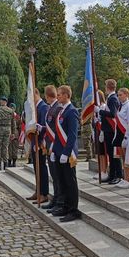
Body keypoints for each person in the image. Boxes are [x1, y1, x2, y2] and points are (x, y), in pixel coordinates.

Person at [50, 85, 81, 222]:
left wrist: (66, 153)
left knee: (70, 182)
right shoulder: (61, 111)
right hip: (58, 152)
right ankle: (65, 207)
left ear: (67, 95)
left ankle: (73, 210)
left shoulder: (72, 111)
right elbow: (57, 133)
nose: (58, 97)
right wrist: (54, 149)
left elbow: (72, 135)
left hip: (68, 155)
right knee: (62, 181)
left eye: (60, 94)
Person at [42, 85, 64, 213]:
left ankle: (59, 200)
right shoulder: (51, 108)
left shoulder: (58, 108)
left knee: (57, 176)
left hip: (55, 147)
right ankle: (55, 199)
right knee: (54, 176)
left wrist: (54, 148)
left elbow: (57, 131)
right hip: (50, 145)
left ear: (47, 96)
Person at [27, 88, 49, 204]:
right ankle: (38, 190)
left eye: (31, 96)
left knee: (41, 168)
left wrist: (39, 142)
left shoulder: (43, 107)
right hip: (35, 142)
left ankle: (44, 193)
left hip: (41, 143)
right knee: (36, 168)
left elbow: (44, 126)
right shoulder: (35, 108)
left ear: (36, 94)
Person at [99, 79, 122, 184]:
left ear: (108, 87)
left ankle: (117, 175)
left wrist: (100, 111)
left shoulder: (113, 99)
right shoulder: (111, 98)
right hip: (108, 130)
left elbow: (113, 114)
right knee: (110, 154)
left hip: (112, 130)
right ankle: (111, 175)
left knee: (114, 155)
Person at [115, 88, 129, 188]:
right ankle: (125, 178)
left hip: (128, 134)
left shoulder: (128, 106)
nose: (119, 97)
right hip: (122, 134)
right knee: (124, 158)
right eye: (118, 95)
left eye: (121, 95)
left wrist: (127, 136)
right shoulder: (121, 106)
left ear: (126, 94)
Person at [0, 96, 15, 171]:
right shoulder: (10, 110)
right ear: (6, 102)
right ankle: (5, 164)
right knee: (5, 147)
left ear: (1, 101)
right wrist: (13, 132)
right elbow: (13, 122)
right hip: (8, 129)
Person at [9, 103, 22, 167]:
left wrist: (19, 135)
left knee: (14, 148)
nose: (12, 109)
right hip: (9, 132)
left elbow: (20, 126)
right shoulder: (9, 115)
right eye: (11, 108)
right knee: (9, 148)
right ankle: (9, 161)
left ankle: (14, 162)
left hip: (15, 133)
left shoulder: (17, 116)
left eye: (13, 108)